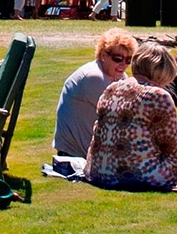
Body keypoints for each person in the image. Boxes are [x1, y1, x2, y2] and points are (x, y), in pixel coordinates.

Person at [85, 41, 177, 189]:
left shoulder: (112, 88)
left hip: (100, 170)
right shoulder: (158, 95)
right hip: (139, 175)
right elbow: (174, 151)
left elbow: (133, 129)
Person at [53, 28, 137, 158]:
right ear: (104, 55)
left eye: (128, 60)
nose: (123, 64)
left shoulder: (118, 76)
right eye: (118, 58)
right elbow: (124, 117)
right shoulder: (94, 77)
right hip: (77, 156)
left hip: (93, 152)